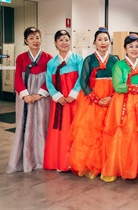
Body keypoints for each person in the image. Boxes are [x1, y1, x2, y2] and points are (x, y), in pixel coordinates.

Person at [69, 27, 118, 178]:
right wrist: (96, 98)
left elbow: (119, 82)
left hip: (111, 99)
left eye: (106, 39)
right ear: (94, 42)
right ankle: (92, 164)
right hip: (92, 100)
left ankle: (108, 165)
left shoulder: (115, 60)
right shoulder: (89, 60)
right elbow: (83, 82)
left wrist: (111, 97)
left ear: (110, 42)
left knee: (110, 132)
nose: (103, 42)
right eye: (100, 39)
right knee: (91, 132)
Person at [101, 34, 138, 182]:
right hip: (123, 103)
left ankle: (137, 167)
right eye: (131, 46)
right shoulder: (119, 65)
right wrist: (137, 88)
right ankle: (123, 167)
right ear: (125, 48)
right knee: (123, 134)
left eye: (137, 46)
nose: (134, 49)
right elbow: (118, 86)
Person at [6, 27, 52, 173]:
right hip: (25, 99)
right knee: (25, 125)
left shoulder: (48, 58)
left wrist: (40, 94)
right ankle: (25, 159)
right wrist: (25, 95)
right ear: (26, 41)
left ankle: (42, 159)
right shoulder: (21, 58)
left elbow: (50, 78)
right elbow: (18, 79)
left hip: (42, 98)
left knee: (41, 125)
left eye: (37, 37)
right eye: (31, 38)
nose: (35, 41)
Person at [43, 30, 83, 172]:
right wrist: (57, 96)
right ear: (55, 43)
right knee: (60, 130)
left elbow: (81, 78)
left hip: (74, 100)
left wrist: (73, 94)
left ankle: (75, 162)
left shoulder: (78, 59)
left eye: (66, 40)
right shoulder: (51, 63)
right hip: (59, 101)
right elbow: (48, 82)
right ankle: (61, 161)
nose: (64, 43)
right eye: (60, 40)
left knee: (75, 128)